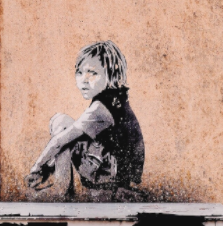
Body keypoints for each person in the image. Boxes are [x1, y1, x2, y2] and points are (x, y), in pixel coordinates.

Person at [26, 40, 145, 201]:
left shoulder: (100, 109)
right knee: (65, 125)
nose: (84, 79)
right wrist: (48, 168)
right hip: (113, 172)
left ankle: (61, 189)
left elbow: (60, 142)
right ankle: (62, 186)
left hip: (109, 178)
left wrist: (37, 168)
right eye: (80, 72)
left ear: (111, 73)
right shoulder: (115, 99)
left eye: (93, 73)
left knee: (61, 123)